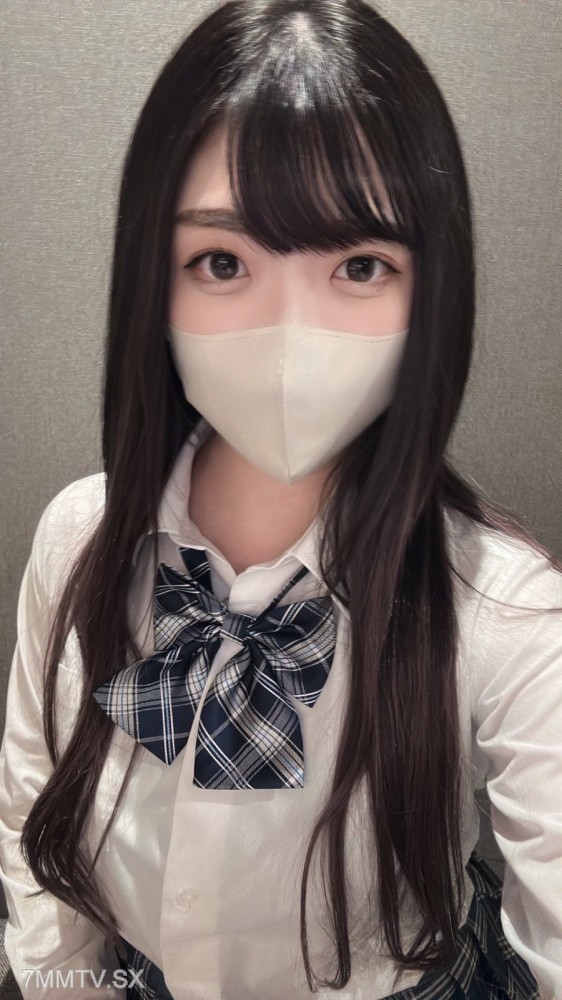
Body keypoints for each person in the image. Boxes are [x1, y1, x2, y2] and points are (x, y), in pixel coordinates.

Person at [0, 0, 560, 997]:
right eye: (223, 262)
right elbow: (34, 814)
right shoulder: (77, 536)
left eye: (360, 266)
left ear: (432, 293)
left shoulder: (508, 614)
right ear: (152, 283)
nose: (290, 340)